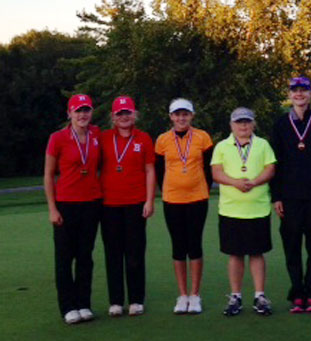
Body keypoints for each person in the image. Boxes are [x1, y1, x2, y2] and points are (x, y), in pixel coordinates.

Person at [271, 77, 311, 313]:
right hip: (289, 197)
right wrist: (276, 195)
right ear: (289, 95)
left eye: (303, 90)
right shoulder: (280, 124)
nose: (299, 94)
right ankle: (297, 292)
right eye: (294, 91)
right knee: (292, 246)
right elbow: (275, 162)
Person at [211, 107, 276, 316]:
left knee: (257, 253)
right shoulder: (222, 146)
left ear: (253, 124)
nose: (243, 126)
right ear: (231, 125)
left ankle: (259, 295)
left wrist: (255, 181)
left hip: (258, 209)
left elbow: (270, 169)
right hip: (231, 210)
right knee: (235, 254)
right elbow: (216, 172)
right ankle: (236, 296)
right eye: (239, 122)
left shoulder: (263, 144)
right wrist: (236, 183)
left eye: (247, 122)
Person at [44, 94, 102, 324]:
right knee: (65, 258)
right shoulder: (57, 138)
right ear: (69, 113)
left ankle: (83, 304)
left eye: (86, 110)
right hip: (65, 204)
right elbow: (48, 175)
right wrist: (52, 208)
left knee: (85, 256)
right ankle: (68, 306)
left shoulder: (97, 135)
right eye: (78, 110)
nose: (82, 115)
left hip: (92, 203)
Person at [155, 98, 213, 314]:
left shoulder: (202, 137)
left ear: (191, 116)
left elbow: (208, 168)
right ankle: (182, 295)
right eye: (177, 114)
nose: (181, 118)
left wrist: (200, 189)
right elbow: (160, 171)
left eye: (185, 114)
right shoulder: (162, 140)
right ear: (171, 117)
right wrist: (170, 189)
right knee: (178, 246)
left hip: (198, 198)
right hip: (172, 199)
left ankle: (195, 295)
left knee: (194, 245)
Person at [100, 96, 156, 317]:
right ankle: (115, 301)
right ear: (113, 117)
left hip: (136, 203)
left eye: (128, 113)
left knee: (135, 253)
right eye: (119, 114)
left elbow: (150, 170)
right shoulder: (102, 138)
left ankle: (136, 299)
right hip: (108, 204)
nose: (124, 117)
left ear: (135, 115)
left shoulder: (143, 138)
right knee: (113, 253)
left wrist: (150, 200)